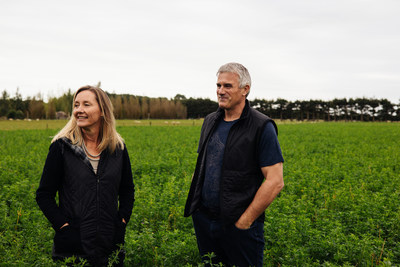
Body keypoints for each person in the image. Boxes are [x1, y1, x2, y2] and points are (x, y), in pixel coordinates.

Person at [184, 63, 284, 266]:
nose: (220, 91)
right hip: (205, 221)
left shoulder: (261, 126)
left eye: (227, 86)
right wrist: (197, 208)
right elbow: (202, 163)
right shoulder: (210, 121)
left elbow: (275, 181)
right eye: (218, 85)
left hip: (238, 226)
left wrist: (245, 221)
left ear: (245, 89)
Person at [36, 85, 135, 266]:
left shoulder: (118, 148)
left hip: (110, 245)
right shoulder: (61, 147)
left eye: (86, 105)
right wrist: (64, 228)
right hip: (73, 247)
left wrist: (121, 223)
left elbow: (127, 191)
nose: (79, 110)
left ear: (103, 111)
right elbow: (44, 195)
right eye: (76, 105)